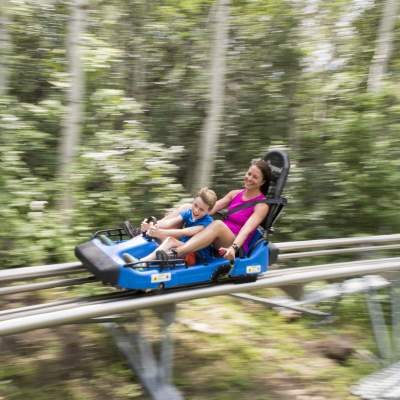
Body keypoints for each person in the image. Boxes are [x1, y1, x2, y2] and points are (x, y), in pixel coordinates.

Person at [161, 159, 271, 261]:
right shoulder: (235, 194)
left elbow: (246, 230)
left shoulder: (262, 205)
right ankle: (154, 229)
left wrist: (233, 248)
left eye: (255, 177)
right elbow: (209, 209)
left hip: (235, 243)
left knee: (218, 224)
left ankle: (176, 252)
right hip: (218, 234)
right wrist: (189, 210)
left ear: (262, 182)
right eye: (249, 174)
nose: (249, 178)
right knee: (187, 207)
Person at [139, 187, 217, 263]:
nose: (196, 211)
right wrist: (151, 225)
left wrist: (160, 232)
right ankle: (146, 253)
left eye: (201, 209)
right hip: (182, 245)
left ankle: (143, 261)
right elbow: (169, 223)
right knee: (160, 236)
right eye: (195, 205)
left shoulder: (208, 222)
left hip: (196, 253)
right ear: (193, 201)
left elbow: (184, 232)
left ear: (208, 211)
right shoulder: (189, 212)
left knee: (170, 240)